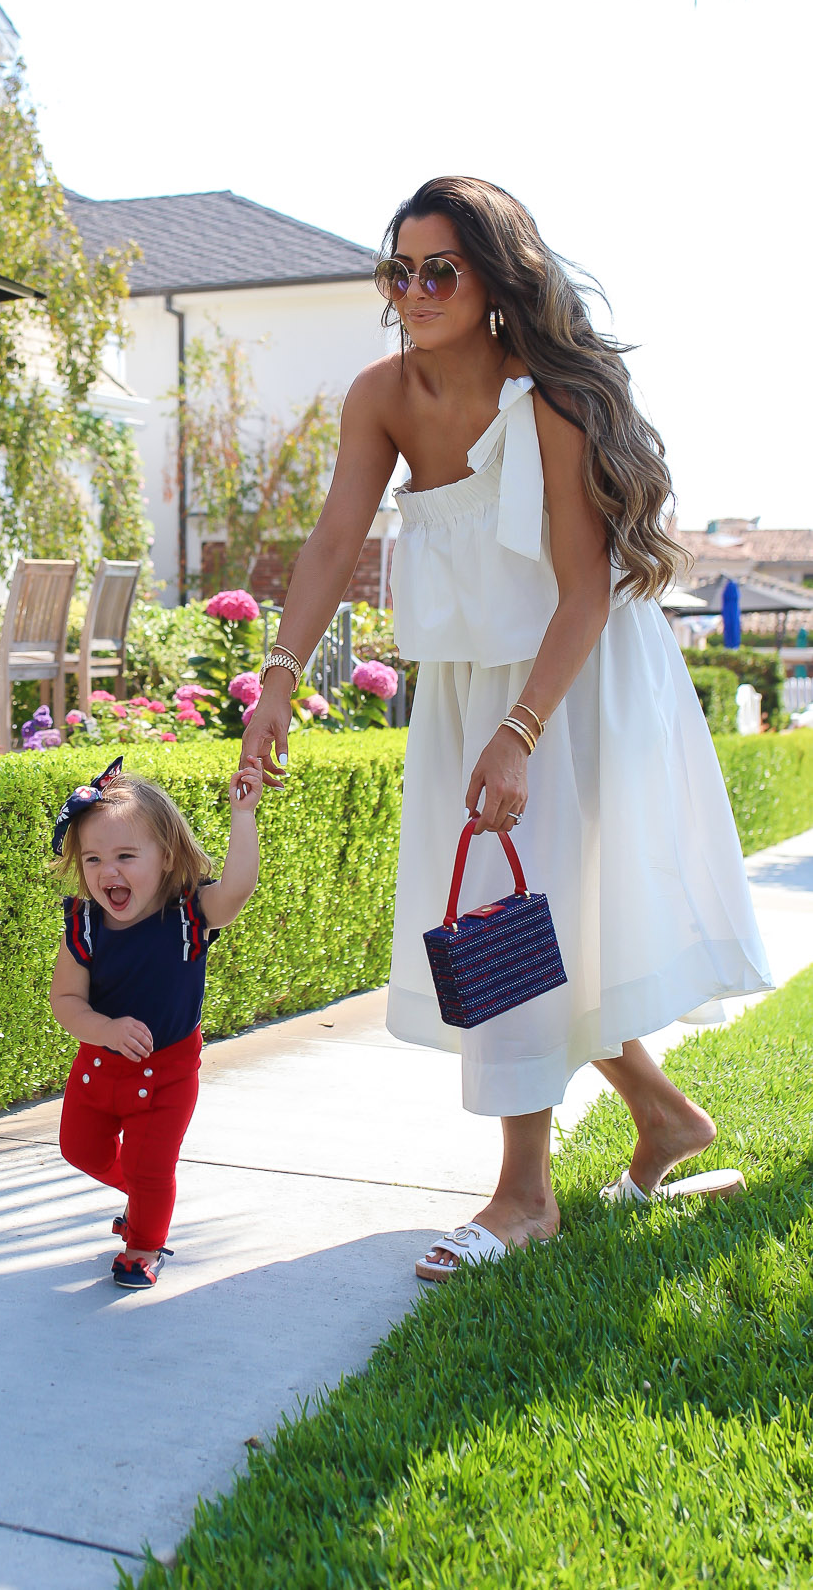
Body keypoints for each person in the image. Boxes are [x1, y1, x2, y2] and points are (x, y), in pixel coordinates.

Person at [239, 177, 772, 1281]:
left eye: (442, 269)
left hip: (571, 684)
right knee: (520, 928)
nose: (417, 290)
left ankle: (525, 1196)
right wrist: (279, 678)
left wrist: (522, 731)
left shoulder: (550, 401)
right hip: (470, 690)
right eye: (401, 269)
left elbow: (584, 590)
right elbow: (337, 539)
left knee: (510, 918)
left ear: (491, 279)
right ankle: (666, 1120)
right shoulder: (380, 395)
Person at [48, 755, 263, 1288]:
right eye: (93, 859)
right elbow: (66, 1000)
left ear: (166, 858)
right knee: (80, 1150)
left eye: (125, 855)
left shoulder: (191, 915)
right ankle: (146, 1196)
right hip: (100, 1064)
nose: (108, 872)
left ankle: (144, 1242)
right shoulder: (86, 926)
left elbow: (238, 889)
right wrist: (106, 1029)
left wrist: (244, 815)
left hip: (167, 1073)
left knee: (151, 1167)